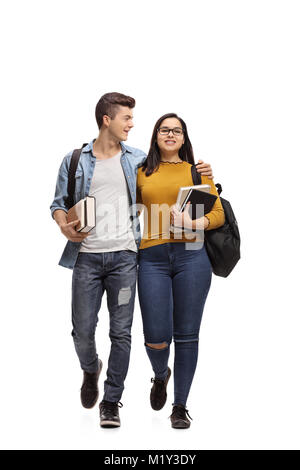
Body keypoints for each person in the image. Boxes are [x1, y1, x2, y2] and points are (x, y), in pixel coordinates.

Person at [50, 93, 213, 428]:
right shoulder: (75, 159)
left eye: (176, 131)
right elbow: (58, 203)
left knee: (122, 333)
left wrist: (202, 175)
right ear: (107, 119)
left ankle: (112, 401)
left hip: (127, 258)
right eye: (126, 118)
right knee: (83, 331)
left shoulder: (139, 160)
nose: (132, 124)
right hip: (90, 258)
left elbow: (196, 196)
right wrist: (64, 225)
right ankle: (97, 368)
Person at [136, 113, 225, 429]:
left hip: (192, 258)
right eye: (164, 129)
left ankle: (180, 406)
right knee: (155, 337)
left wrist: (193, 223)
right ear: (156, 135)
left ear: (184, 138)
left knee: (187, 336)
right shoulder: (140, 171)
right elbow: (125, 211)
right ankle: (161, 375)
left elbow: (217, 214)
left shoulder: (197, 172)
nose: (170, 134)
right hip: (151, 258)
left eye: (177, 130)